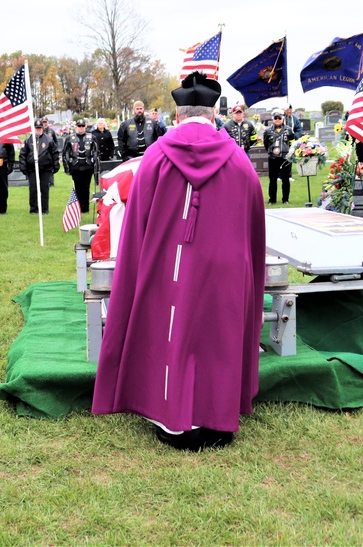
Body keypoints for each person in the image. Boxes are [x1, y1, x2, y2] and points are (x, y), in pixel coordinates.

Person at [92, 72, 265, 451]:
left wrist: (137, 265)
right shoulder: (238, 160)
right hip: (224, 269)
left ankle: (169, 420)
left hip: (166, 267)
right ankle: (216, 419)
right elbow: (254, 220)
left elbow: (137, 222)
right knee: (216, 339)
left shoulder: (154, 156)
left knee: (169, 332)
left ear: (179, 113)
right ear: (214, 111)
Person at [19, 120, 60, 214]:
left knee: (44, 189)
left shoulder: (49, 140)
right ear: (34, 128)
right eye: (36, 128)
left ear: (42, 128)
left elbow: (55, 153)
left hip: (45, 168)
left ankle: (44, 209)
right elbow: (23, 154)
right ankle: (33, 209)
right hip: (32, 169)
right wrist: (23, 167)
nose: (38, 130)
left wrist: (55, 165)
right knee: (33, 189)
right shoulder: (28, 140)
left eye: (40, 128)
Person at [62, 118, 99, 213]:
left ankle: (85, 208)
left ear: (85, 126)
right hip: (76, 166)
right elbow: (65, 153)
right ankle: (78, 208)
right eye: (79, 126)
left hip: (87, 166)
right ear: (76, 127)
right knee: (78, 187)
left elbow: (96, 152)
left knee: (86, 188)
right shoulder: (70, 138)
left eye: (83, 126)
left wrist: (95, 164)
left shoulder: (92, 137)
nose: (81, 128)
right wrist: (67, 167)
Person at [264, 108, 295, 205]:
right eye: (275, 118)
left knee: (285, 179)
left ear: (283, 118)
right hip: (273, 158)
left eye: (279, 118)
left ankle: (285, 199)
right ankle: (272, 199)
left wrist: (289, 152)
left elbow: (292, 143)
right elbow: (266, 144)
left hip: (285, 158)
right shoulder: (268, 131)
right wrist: (271, 151)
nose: (277, 120)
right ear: (273, 119)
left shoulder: (288, 130)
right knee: (272, 179)